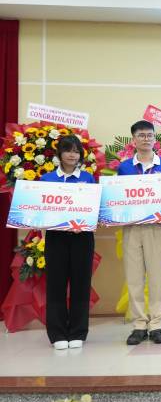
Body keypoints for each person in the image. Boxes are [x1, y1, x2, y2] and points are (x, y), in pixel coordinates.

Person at [117, 120, 161, 345]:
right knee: (134, 277)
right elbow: (119, 198)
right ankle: (139, 324)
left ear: (154, 138)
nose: (146, 138)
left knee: (158, 276)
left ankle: (157, 324)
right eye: (141, 135)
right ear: (133, 140)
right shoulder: (124, 167)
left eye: (150, 135)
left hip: (156, 227)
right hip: (132, 227)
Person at [41, 134, 96, 350]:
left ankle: (78, 332)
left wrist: (86, 221)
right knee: (56, 283)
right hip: (56, 237)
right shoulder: (47, 180)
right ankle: (57, 333)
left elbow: (93, 208)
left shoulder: (88, 178)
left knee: (81, 283)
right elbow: (41, 210)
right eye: (68, 150)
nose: (72, 155)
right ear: (60, 154)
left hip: (82, 237)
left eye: (76, 151)